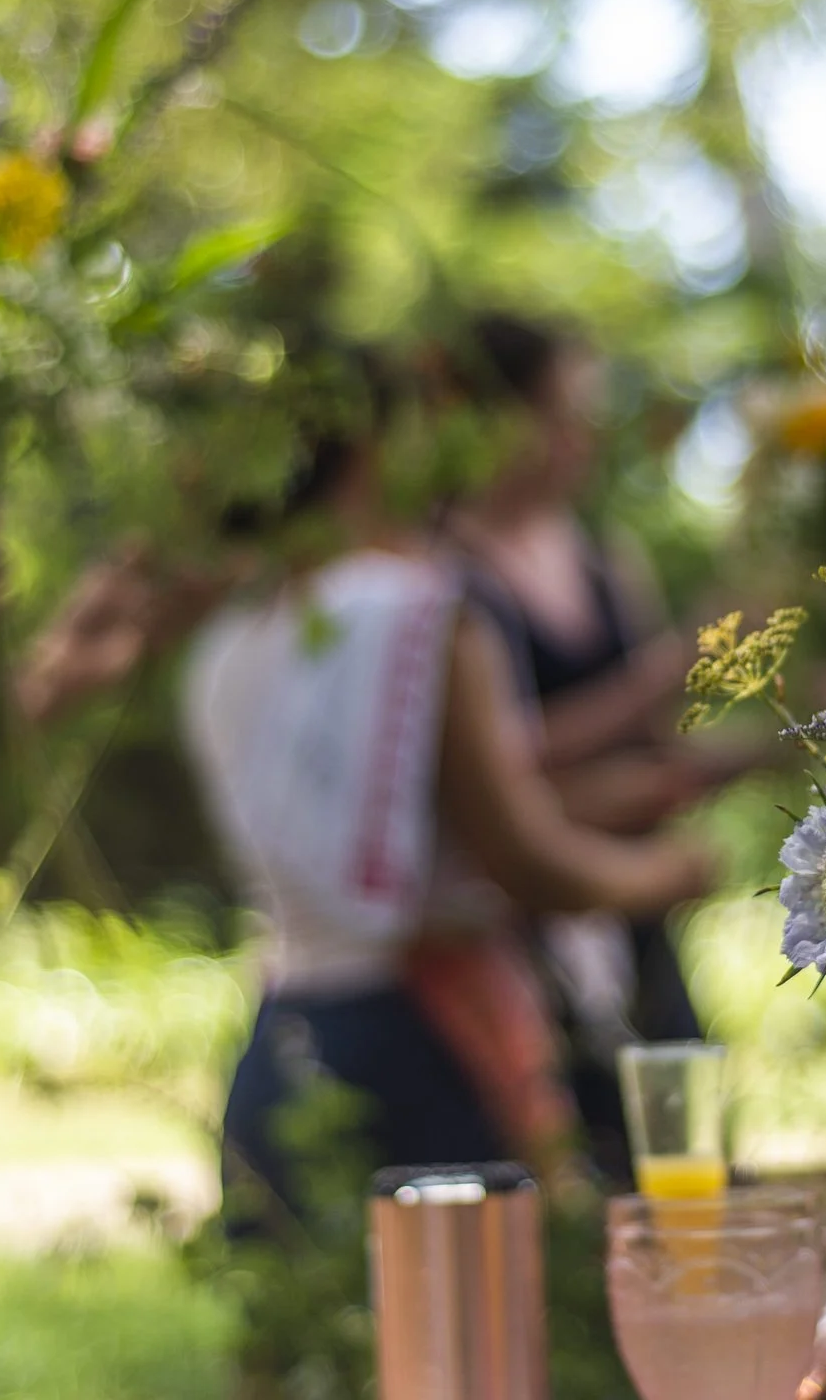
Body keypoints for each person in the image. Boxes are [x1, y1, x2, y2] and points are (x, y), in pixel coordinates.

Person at [177, 348, 716, 1209]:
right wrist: (671, 872)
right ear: (370, 448)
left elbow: (427, 824)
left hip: (284, 1036)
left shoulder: (232, 637)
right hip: (426, 1046)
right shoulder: (423, 615)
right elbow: (522, 857)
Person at [446, 314, 726, 1179]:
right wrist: (668, 670)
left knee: (682, 1164)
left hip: (634, 916)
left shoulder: (606, 559)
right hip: (516, 933)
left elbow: (661, 744)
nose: (582, 440)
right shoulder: (444, 579)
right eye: (562, 415)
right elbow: (491, 760)